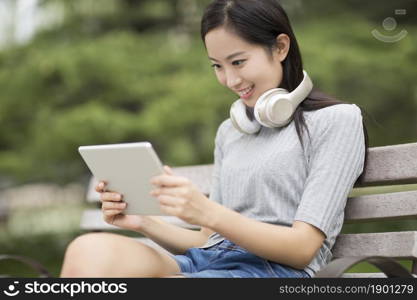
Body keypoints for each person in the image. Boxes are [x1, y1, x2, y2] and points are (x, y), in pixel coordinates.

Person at [60, 0, 368, 278]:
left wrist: (209, 211)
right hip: (207, 260)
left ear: (280, 48)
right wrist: (143, 222)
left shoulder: (337, 121)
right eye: (217, 66)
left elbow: (302, 250)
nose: (230, 80)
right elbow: (206, 240)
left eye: (238, 62)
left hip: (276, 271)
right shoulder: (232, 131)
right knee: (87, 249)